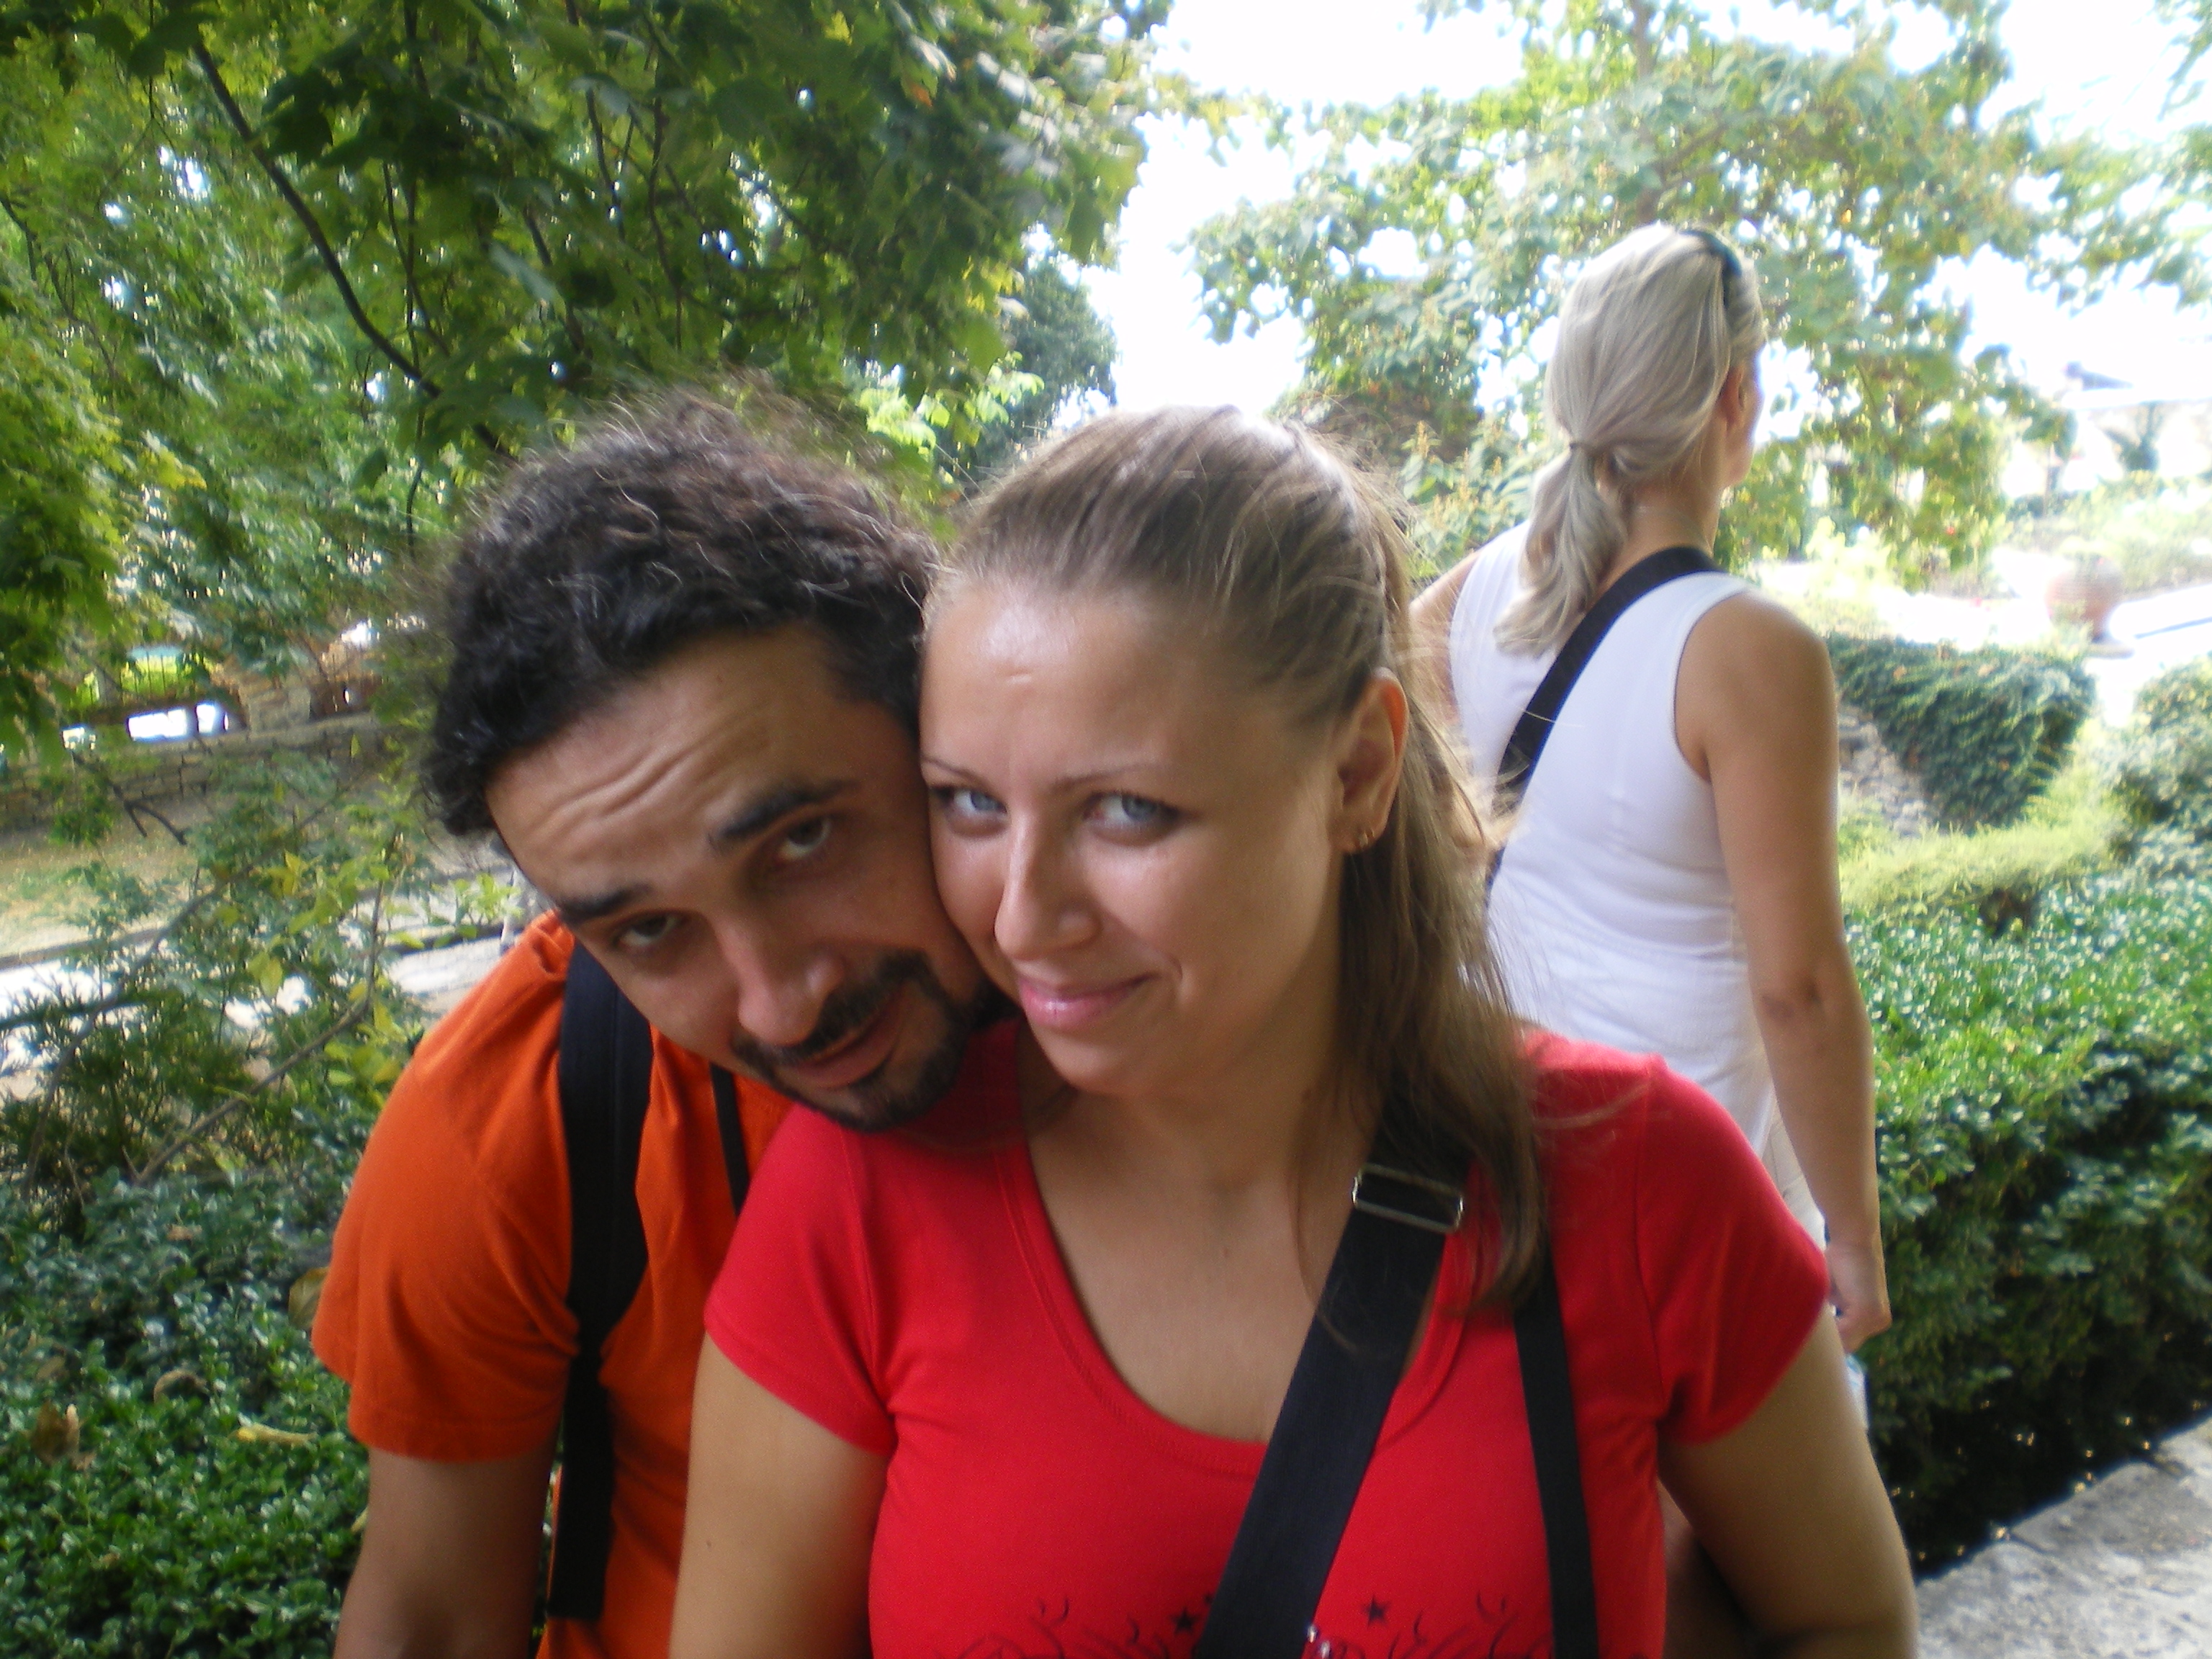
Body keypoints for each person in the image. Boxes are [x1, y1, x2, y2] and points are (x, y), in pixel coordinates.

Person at [671, 407, 1915, 1657]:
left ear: (1357, 773)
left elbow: (1843, 1618)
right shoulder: (861, 1203)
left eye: (1125, 811)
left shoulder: (1637, 1180)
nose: (1022, 915)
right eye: (969, 804)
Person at [313, 398, 1002, 1659]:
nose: (779, 1002)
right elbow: (431, 1614)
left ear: (935, 727)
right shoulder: (513, 1121)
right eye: (646, 932)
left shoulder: (1155, 1015)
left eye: (803, 841)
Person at [1411, 226, 1889, 1356]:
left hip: (1512, 1141)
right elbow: (1800, 990)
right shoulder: (1750, 650)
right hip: (1688, 1183)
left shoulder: (1486, 584)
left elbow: (1383, 709)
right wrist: (1856, 1237)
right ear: (1736, 396)